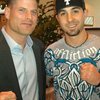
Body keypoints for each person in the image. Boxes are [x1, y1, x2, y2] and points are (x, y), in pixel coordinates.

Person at [44, 0, 100, 100]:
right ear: (57, 18)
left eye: (75, 11)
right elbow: (46, 87)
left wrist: (98, 80)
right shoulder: (50, 52)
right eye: (63, 13)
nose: (69, 19)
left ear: (85, 13)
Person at [0, 0, 46, 100]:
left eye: (33, 12)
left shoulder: (38, 47)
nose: (29, 17)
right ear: (7, 12)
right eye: (22, 10)